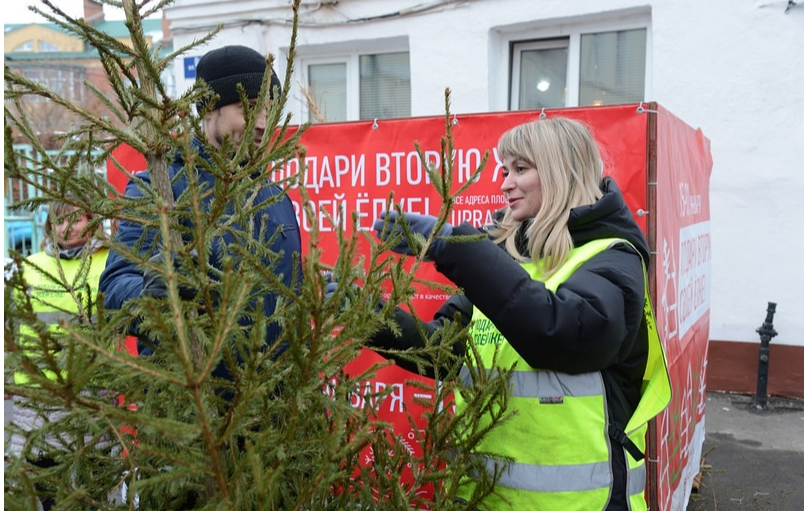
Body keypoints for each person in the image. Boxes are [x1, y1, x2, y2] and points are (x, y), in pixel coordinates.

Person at [367, 117, 672, 510]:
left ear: (561, 170)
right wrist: (368, 317)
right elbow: (443, 351)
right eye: (504, 170)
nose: (505, 183)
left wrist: (458, 248)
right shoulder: (506, 255)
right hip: (485, 496)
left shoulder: (611, 259)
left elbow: (562, 335)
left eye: (521, 169)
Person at [99, 44, 303, 385]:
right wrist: (153, 292)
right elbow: (114, 290)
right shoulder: (163, 187)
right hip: (198, 413)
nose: (263, 124)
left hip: (276, 412)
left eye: (271, 110)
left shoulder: (274, 197)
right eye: (250, 109)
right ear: (210, 109)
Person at [8, 199, 110, 511]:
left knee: (93, 492)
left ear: (92, 221)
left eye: (76, 219)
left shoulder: (111, 262)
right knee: (49, 490)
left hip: (91, 397)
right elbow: (10, 329)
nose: (67, 228)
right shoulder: (29, 267)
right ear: (49, 226)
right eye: (59, 221)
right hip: (38, 401)